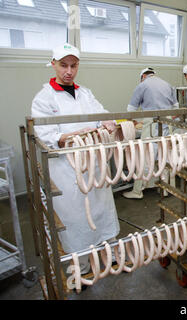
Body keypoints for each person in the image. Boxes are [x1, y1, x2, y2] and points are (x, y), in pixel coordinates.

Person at [31, 43, 119, 274]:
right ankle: (79, 263)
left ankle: (108, 253)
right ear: (53, 65)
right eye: (63, 65)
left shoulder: (85, 93)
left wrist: (107, 121)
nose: (68, 71)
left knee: (101, 211)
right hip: (67, 169)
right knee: (75, 217)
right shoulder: (44, 99)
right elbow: (44, 136)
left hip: (94, 165)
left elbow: (100, 114)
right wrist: (66, 137)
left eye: (73, 65)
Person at [122, 67, 179, 199]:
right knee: (164, 158)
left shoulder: (142, 85)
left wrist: (132, 123)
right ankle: (166, 189)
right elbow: (176, 109)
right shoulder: (167, 84)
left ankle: (137, 191)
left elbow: (131, 110)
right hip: (167, 125)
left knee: (145, 158)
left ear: (143, 76)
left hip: (151, 126)